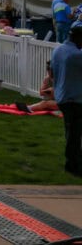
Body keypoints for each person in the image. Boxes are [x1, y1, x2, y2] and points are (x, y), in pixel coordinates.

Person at [50, 23, 82, 177]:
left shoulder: (58, 50)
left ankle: (76, 161)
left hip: (62, 96)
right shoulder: (76, 55)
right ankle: (72, 166)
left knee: (72, 132)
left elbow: (52, 72)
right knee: (74, 134)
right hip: (74, 98)